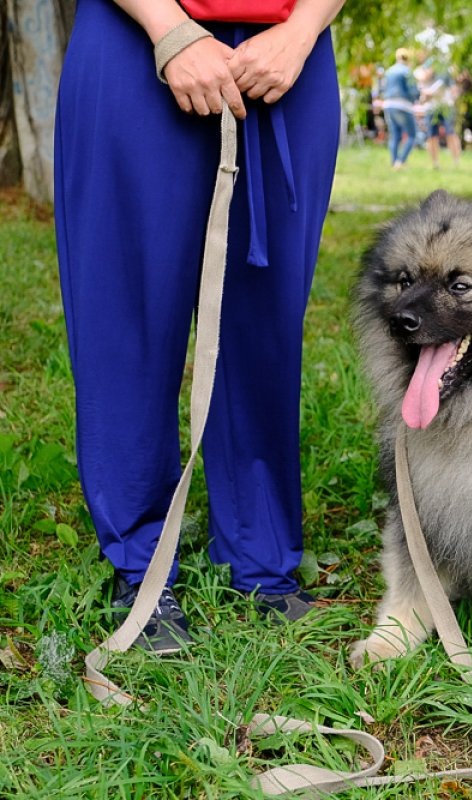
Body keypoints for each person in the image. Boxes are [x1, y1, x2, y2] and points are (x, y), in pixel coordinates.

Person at [54, 0, 344, 651]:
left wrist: (301, 31)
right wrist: (169, 28)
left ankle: (263, 554)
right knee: (124, 310)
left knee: (268, 317)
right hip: (134, 37)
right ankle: (142, 563)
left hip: (288, 52)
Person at [381, 47, 419, 169]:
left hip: (388, 104)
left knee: (395, 135)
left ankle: (393, 161)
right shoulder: (407, 72)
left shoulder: (389, 71)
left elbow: (382, 88)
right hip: (403, 105)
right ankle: (401, 161)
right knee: (412, 135)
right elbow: (413, 91)